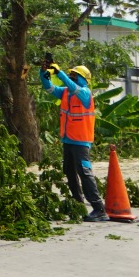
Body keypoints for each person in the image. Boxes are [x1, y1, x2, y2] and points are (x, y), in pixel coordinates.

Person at [42, 61, 108, 221]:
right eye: (71, 74)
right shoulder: (65, 93)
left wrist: (60, 74)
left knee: (84, 173)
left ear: (84, 79)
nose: (73, 77)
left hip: (81, 141)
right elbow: (49, 88)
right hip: (68, 140)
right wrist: (44, 73)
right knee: (70, 172)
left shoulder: (85, 94)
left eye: (75, 75)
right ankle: (78, 203)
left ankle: (99, 208)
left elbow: (74, 87)